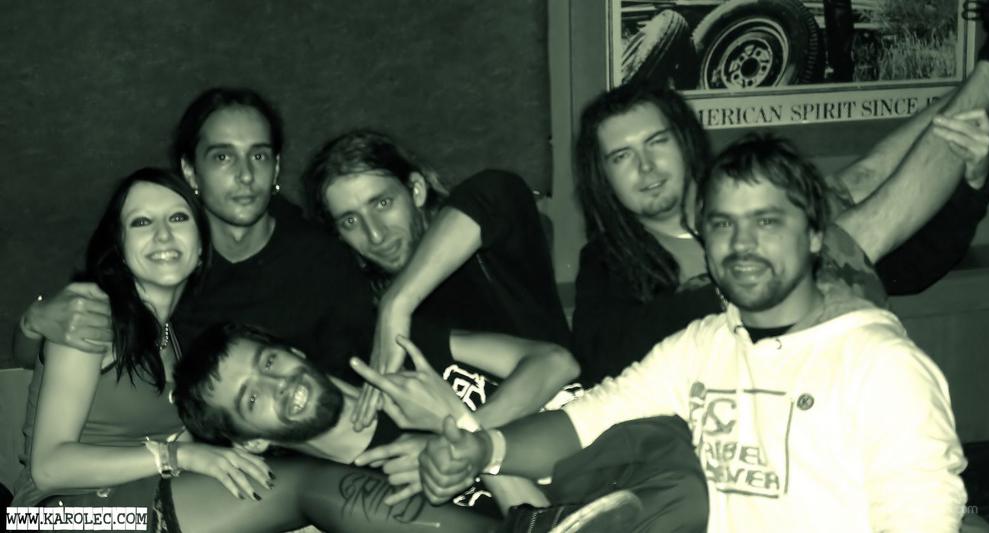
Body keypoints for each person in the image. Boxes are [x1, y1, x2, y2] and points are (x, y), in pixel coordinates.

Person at [418, 135, 968, 532]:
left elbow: (921, 518)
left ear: (816, 235)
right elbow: (591, 418)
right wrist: (484, 448)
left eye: (767, 221)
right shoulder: (705, 345)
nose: (742, 243)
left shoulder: (881, 366)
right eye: (723, 224)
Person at [10, 167, 499, 533]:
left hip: (135, 501)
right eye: (141, 222)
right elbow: (48, 468)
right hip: (54, 518)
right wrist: (179, 457)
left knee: (305, 492)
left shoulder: (173, 340)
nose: (163, 235)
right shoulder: (91, 316)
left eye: (178, 217)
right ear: (118, 246)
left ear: (200, 245)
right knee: (305, 485)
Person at [571, 66, 989, 384]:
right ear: (602, 175)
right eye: (621, 157)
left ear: (684, 140)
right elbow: (605, 359)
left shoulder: (758, 200)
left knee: (858, 183)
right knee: (847, 221)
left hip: (841, 395)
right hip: (737, 432)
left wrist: (972, 181)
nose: (646, 166)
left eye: (657, 142)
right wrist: (742, 284)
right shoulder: (608, 261)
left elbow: (914, 268)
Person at [12, 87, 373, 379]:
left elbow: (359, 380)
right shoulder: (163, 255)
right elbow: (32, 360)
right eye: (223, 157)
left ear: (276, 168)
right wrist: (34, 323)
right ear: (190, 171)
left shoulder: (323, 261)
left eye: (259, 156)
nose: (246, 175)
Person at [301, 130, 572, 428]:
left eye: (382, 204)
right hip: (483, 448)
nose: (375, 234)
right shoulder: (363, 317)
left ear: (416, 190)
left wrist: (396, 304)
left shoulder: (483, 245)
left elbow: (494, 191)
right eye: (350, 221)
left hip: (575, 417)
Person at [171, 321, 579, 517]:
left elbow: (557, 363)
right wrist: (459, 432)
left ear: (295, 351)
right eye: (252, 398)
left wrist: (460, 425)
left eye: (269, 361)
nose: (279, 383)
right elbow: (552, 523)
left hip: (608, 421)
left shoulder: (400, 355)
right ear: (252, 442)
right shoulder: (368, 498)